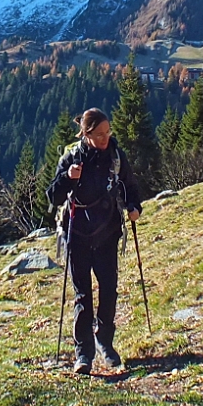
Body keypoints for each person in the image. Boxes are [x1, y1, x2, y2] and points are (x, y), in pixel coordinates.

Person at [47, 108, 142, 375]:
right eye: (99, 134)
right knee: (82, 295)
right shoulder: (72, 158)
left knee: (109, 290)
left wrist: (135, 207)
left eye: (108, 132)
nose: (105, 138)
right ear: (86, 134)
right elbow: (53, 196)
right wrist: (68, 178)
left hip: (107, 233)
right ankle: (83, 354)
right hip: (76, 236)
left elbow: (130, 187)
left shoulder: (115, 156)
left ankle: (105, 343)